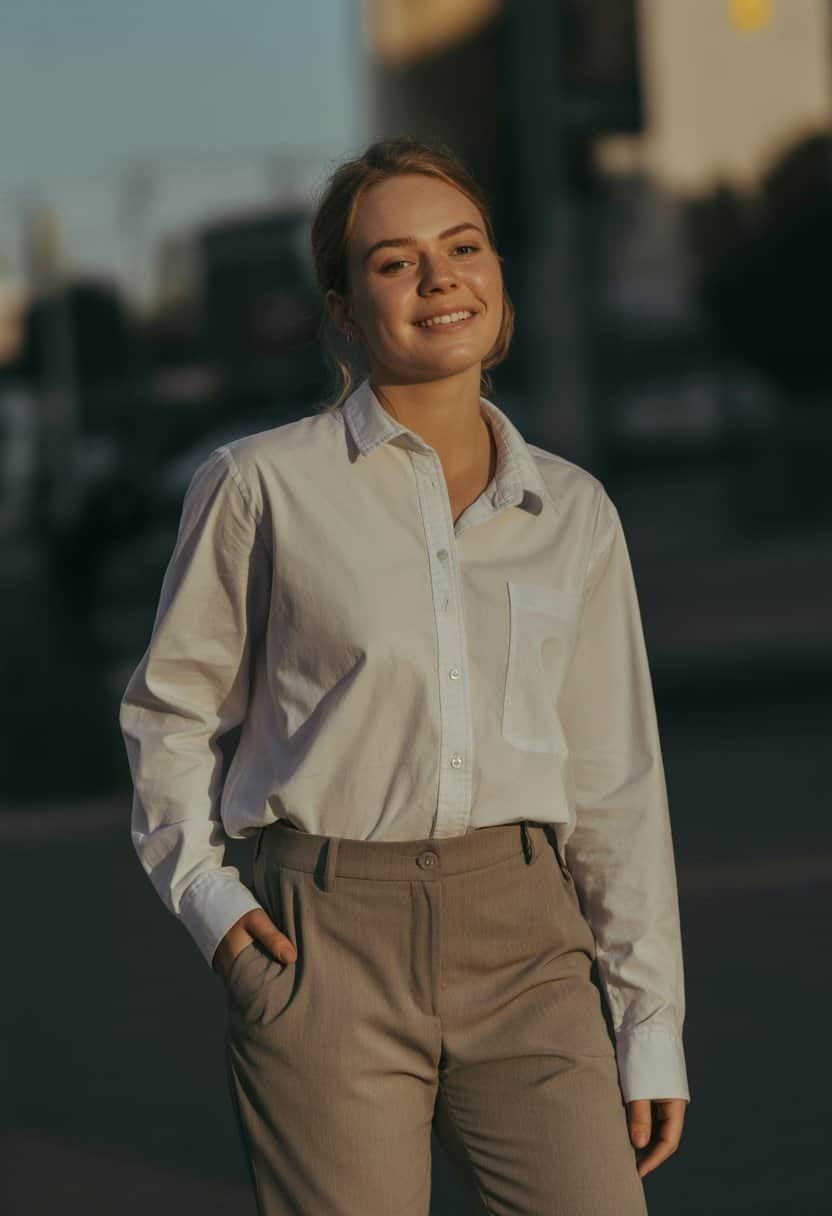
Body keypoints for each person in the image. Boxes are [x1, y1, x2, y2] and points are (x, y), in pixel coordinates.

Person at [119, 135, 690, 1215]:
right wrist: (208, 900)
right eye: (393, 261)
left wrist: (647, 1018)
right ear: (343, 307)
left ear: (496, 273)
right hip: (319, 945)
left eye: (461, 245)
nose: (439, 278)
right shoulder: (262, 486)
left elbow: (616, 779)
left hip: (529, 945)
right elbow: (170, 709)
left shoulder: (571, 513)